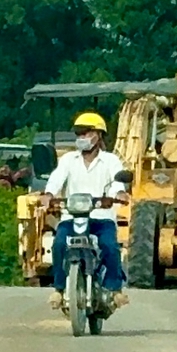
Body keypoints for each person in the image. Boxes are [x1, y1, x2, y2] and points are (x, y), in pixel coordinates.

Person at [40, 111, 130, 310]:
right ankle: (59, 289)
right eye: (79, 134)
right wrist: (48, 194)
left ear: (98, 136)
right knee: (59, 245)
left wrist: (120, 194)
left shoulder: (110, 160)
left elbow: (117, 181)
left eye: (87, 133)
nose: (82, 138)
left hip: (101, 217)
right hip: (71, 216)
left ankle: (115, 289)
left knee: (110, 246)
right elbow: (56, 178)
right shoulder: (68, 160)